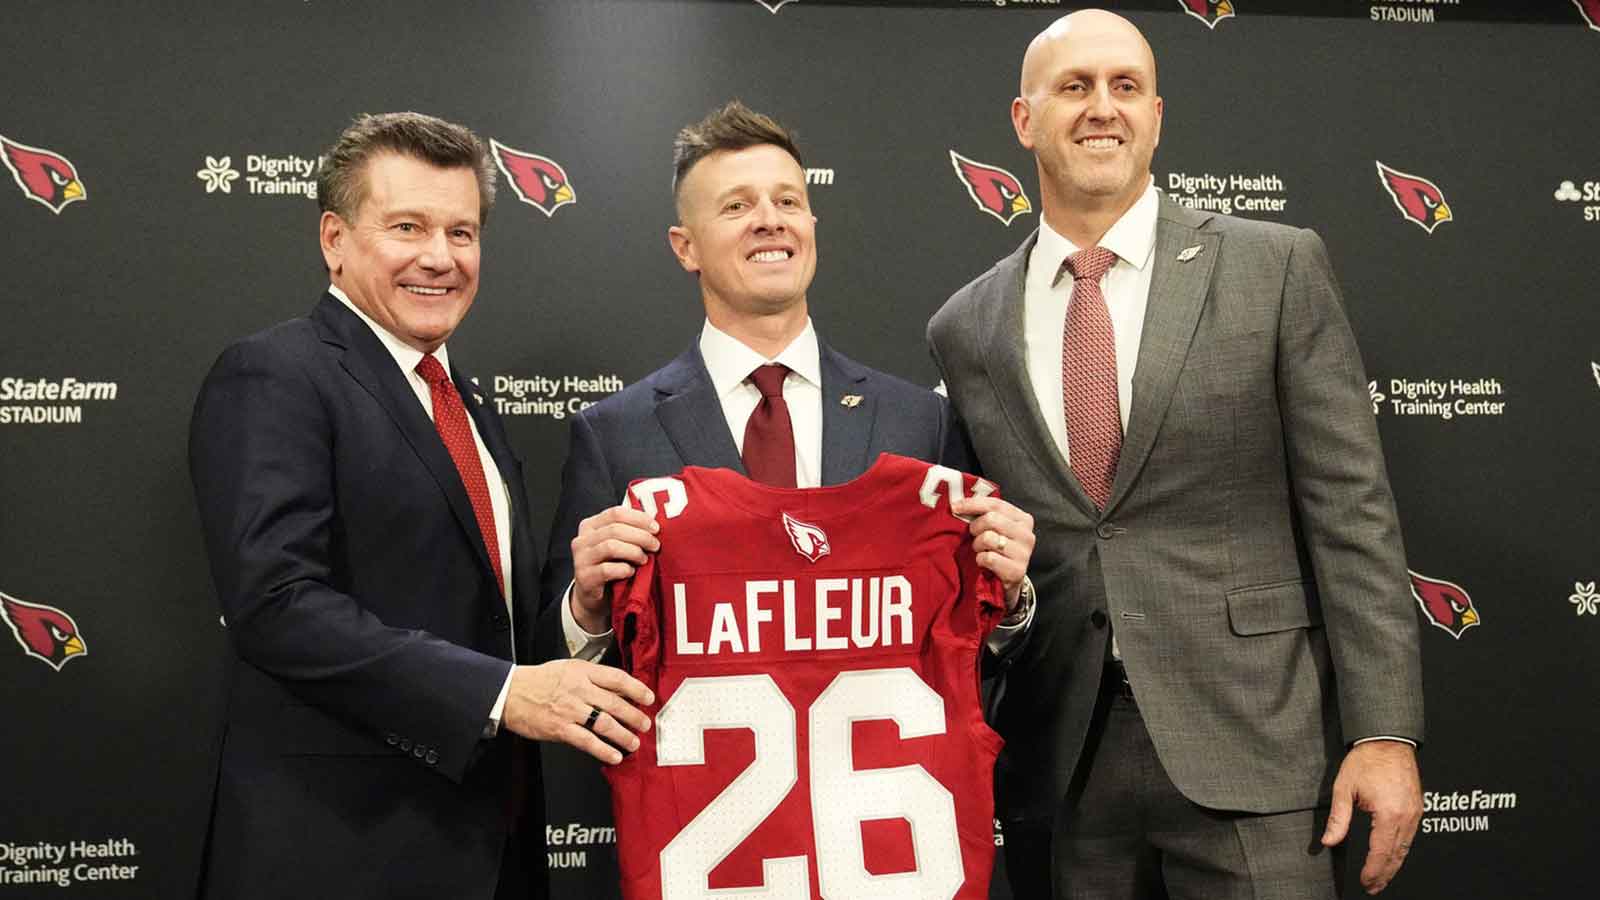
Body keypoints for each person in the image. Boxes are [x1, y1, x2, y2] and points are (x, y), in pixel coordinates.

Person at [927, 11, 1425, 899]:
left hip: (1256, 748)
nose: (1101, 109)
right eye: (1074, 87)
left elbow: (1352, 514)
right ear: (1023, 119)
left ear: (1157, 114)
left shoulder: (1273, 267)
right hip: (1061, 763)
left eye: (1125, 87)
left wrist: (1384, 732)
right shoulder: (965, 327)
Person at [188, 111, 653, 900]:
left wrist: (581, 605)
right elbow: (276, 604)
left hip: (489, 852)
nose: (440, 258)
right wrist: (505, 695)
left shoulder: (464, 401)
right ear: (334, 239)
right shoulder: (275, 375)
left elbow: (491, 629)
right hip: (337, 856)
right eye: (408, 227)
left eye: (462, 233)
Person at [538, 100, 1036, 665]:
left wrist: (1012, 598)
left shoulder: (920, 420)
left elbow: (977, 652)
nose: (769, 219)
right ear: (686, 247)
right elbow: (558, 664)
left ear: (811, 226)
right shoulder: (613, 435)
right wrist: (585, 609)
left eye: (788, 200)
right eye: (736, 206)